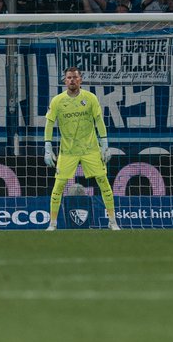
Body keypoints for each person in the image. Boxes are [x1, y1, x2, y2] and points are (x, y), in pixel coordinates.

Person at [43, 67, 118, 231]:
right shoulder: (57, 101)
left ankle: (112, 221)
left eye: (75, 77)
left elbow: (99, 121)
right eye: (69, 77)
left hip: (90, 150)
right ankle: (52, 223)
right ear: (65, 81)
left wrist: (105, 145)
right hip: (68, 151)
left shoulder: (90, 98)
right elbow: (49, 124)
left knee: (103, 182)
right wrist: (48, 148)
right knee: (58, 185)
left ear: (80, 80)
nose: (72, 80)